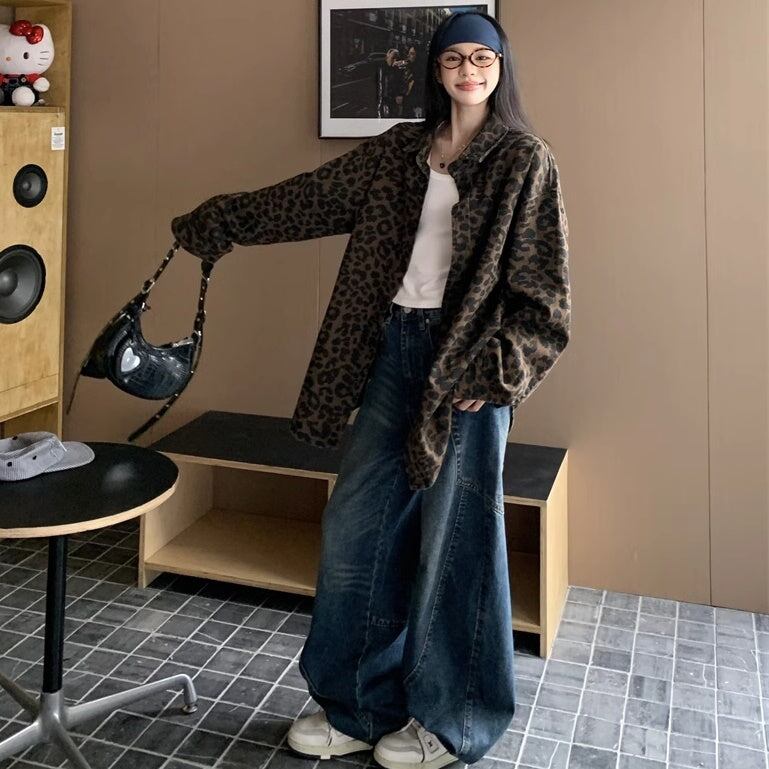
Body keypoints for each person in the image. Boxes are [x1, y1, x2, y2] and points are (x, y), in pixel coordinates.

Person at [170, 10, 570, 767]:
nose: (468, 70)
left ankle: (450, 722)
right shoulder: (400, 151)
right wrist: (219, 222)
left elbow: (545, 298)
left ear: (500, 68)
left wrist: (496, 372)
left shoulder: (524, 160)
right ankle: (354, 705)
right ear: (435, 70)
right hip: (391, 349)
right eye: (453, 58)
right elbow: (308, 198)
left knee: (457, 545)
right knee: (358, 529)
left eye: (481, 58)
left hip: (466, 370)